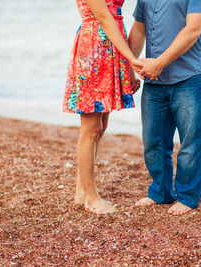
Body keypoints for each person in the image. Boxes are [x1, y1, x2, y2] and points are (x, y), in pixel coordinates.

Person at [128, 0, 201, 215]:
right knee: (153, 142)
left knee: (190, 144)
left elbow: (193, 30)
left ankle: (187, 197)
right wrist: (130, 68)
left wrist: (159, 62)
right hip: (154, 81)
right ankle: (160, 193)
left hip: (190, 77)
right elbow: (139, 29)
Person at [63, 0, 142, 214]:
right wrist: (132, 59)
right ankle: (91, 197)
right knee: (91, 129)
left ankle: (81, 191)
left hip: (111, 46)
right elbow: (105, 18)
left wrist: (129, 70)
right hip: (94, 47)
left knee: (101, 126)